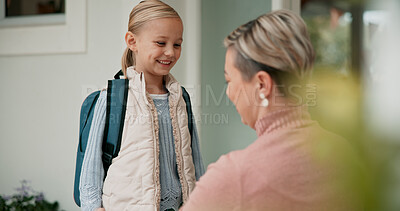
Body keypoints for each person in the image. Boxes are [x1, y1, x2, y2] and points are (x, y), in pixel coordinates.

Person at [181, 9, 363, 211]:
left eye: (229, 81)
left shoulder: (233, 177)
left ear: (262, 85)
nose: (229, 93)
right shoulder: (345, 155)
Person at [79, 1, 205, 210]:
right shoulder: (112, 99)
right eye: (160, 43)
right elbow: (91, 166)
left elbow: (195, 159)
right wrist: (93, 207)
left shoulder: (181, 97)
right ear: (132, 41)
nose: (170, 53)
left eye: (177, 44)